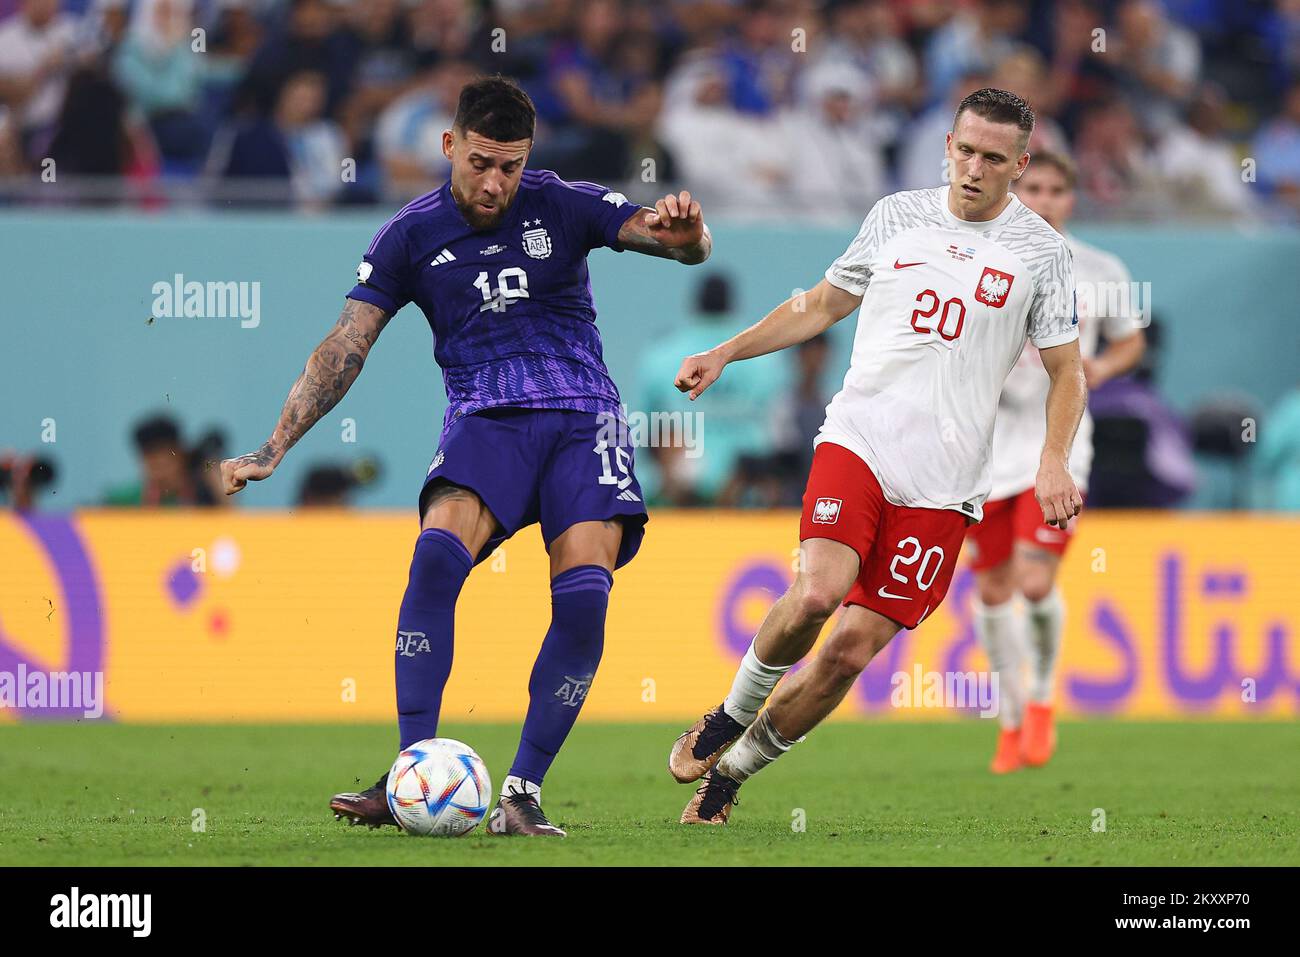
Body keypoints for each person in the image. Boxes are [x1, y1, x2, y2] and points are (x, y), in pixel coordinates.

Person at [219, 76, 712, 837]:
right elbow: (346, 346)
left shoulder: (564, 202)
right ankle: (413, 770)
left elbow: (673, 242)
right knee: (434, 562)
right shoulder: (408, 234)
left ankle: (521, 791)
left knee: (584, 596)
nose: (495, 182)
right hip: (486, 416)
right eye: (481, 161)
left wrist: (688, 234)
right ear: (449, 145)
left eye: (510, 166)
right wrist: (275, 445)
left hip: (587, 420)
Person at [666, 88, 1084, 825]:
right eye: (967, 150)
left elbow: (1066, 370)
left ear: (1020, 165)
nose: (976, 168)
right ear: (946, 146)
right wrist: (726, 350)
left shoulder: (1042, 253)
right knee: (820, 592)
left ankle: (733, 772)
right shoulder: (895, 215)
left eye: (995, 158)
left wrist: (1054, 456)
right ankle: (728, 713)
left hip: (947, 482)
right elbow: (821, 304)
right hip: (859, 439)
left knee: (851, 652)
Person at [966, 150, 1145, 774]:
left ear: (1072, 198)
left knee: (1035, 581)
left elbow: (1131, 339)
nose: (1042, 199)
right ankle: (1010, 719)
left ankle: (1041, 701)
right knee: (991, 590)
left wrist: (1103, 367)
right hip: (985, 445)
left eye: (1054, 189)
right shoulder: (982, 258)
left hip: (1061, 442)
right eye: (1032, 187)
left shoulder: (1100, 269)